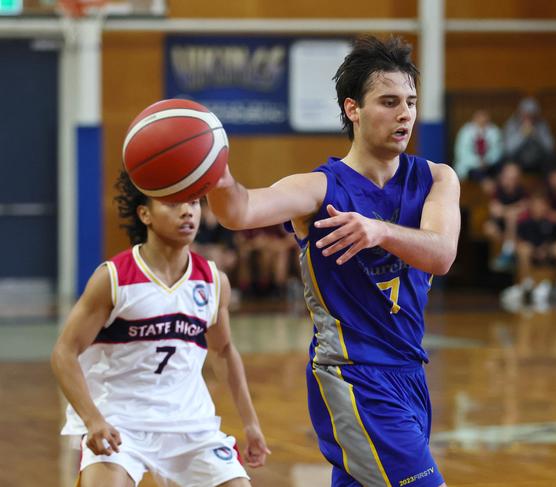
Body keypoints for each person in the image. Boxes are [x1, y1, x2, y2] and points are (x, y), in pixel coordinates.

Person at [207, 35, 459, 487]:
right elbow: (239, 211)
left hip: (409, 373)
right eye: (388, 101)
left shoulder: (437, 178)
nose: (405, 114)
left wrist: (379, 230)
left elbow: (441, 253)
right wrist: (213, 171)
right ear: (352, 109)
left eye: (411, 102)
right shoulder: (319, 189)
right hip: (352, 374)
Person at [51, 171, 269, 487]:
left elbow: (223, 351)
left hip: (191, 426)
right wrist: (92, 419)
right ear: (145, 214)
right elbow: (64, 353)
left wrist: (250, 423)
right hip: (120, 422)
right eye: (173, 204)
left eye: (194, 202)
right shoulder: (113, 278)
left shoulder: (212, 280)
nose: (188, 211)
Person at [500, 192, 556, 309]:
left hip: (549, 252)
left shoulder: (551, 221)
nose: (539, 207)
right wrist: (535, 250)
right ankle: (526, 284)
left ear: (546, 206)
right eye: (536, 204)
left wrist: (546, 248)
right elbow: (519, 241)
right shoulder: (525, 222)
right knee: (523, 249)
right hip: (531, 253)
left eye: (541, 205)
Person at [483, 161, 529, 271]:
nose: (508, 180)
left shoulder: (521, 191)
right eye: (506, 176)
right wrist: (511, 210)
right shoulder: (498, 190)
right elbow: (494, 210)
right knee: (488, 228)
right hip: (501, 226)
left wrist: (505, 211)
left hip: (519, 226)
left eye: (511, 177)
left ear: (517, 178)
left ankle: (508, 252)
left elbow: (525, 208)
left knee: (511, 218)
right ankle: (504, 252)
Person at [453, 108, 503, 190]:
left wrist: (487, 160)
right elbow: (461, 154)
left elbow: (497, 151)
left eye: (485, 121)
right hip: (470, 166)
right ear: (474, 119)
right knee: (476, 173)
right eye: (479, 120)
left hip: (489, 164)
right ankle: (487, 184)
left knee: (501, 168)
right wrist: (478, 162)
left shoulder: (494, 131)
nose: (482, 122)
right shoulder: (465, 132)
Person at [503, 97, 555, 173]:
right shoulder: (512, 124)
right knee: (507, 162)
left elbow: (550, 148)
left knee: (551, 161)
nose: (528, 118)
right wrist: (522, 134)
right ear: (520, 113)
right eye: (525, 114)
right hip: (518, 161)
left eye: (531, 115)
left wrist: (536, 136)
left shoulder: (542, 124)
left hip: (538, 161)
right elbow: (508, 149)